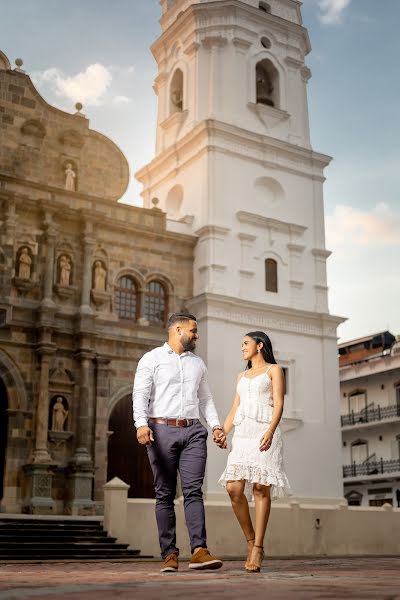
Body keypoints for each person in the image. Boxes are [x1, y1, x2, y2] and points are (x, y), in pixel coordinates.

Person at [133, 312, 226, 573]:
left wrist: (216, 426)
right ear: (177, 330)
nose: (197, 335)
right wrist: (140, 424)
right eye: (193, 330)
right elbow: (140, 394)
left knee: (193, 491)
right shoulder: (151, 359)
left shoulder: (198, 363)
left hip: (193, 432)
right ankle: (169, 554)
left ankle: (199, 551)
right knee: (164, 494)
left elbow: (206, 399)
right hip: (161, 431)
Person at [218, 331, 291, 572]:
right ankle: (250, 540)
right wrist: (222, 431)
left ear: (259, 346)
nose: (242, 348)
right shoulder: (241, 375)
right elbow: (235, 407)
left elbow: (279, 403)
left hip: (264, 431)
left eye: (246, 343)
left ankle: (258, 548)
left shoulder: (274, 370)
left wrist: (271, 431)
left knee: (260, 488)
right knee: (233, 487)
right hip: (243, 434)